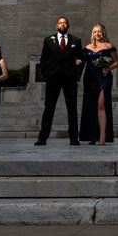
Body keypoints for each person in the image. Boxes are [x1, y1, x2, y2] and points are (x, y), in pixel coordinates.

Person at [34, 17, 84, 146]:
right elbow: (43, 60)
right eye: (60, 23)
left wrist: (76, 74)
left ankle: (73, 137)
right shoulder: (48, 40)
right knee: (49, 108)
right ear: (56, 26)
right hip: (53, 78)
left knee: (72, 108)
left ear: (68, 25)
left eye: (65, 23)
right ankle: (42, 137)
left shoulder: (76, 41)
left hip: (69, 78)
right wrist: (47, 75)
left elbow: (81, 60)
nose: (62, 25)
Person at [80, 23, 118, 145]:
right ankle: (92, 135)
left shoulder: (108, 46)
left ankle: (103, 135)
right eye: (95, 32)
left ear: (103, 33)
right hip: (90, 78)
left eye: (100, 31)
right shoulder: (87, 47)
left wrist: (107, 69)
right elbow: (82, 61)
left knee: (101, 104)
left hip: (104, 77)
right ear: (93, 34)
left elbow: (117, 62)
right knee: (91, 105)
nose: (97, 34)